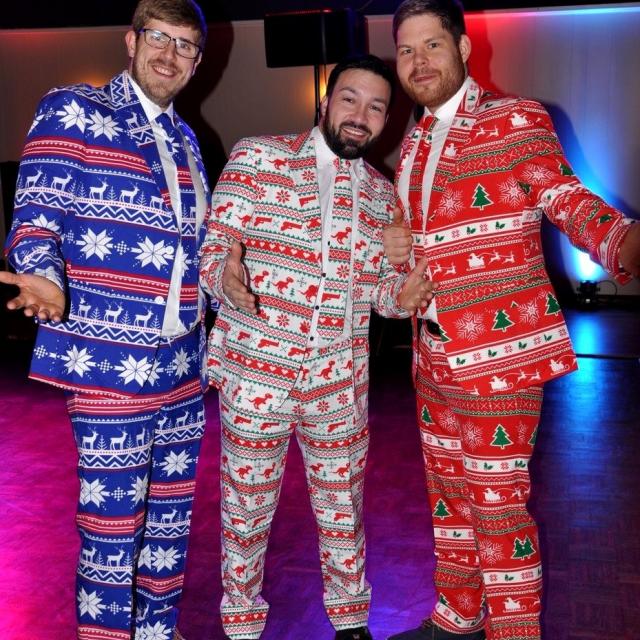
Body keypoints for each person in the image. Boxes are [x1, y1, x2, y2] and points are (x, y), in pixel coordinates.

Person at [382, 1, 640, 640]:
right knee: (449, 498)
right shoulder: (412, 143)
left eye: (432, 45)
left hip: (498, 356)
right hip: (431, 355)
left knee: (498, 514)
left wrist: (621, 241)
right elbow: (426, 237)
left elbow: (564, 195)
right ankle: (458, 616)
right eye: (407, 50)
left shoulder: (515, 118)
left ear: (464, 49)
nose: (419, 61)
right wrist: (399, 251)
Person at [199, 54, 434, 640]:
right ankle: (241, 626)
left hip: (339, 384)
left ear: (386, 120)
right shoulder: (259, 156)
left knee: (343, 511)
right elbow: (214, 249)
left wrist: (403, 294)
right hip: (256, 375)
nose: (360, 115)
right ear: (326, 102)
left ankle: (351, 623)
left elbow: (379, 293)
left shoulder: (383, 197)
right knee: (245, 511)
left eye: (376, 107)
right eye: (350, 99)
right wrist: (224, 277)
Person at [0, 1, 210, 638]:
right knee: (113, 533)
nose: (170, 55)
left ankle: (158, 631)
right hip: (110, 365)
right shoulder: (75, 109)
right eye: (159, 38)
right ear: (131, 41)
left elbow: (193, 248)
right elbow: (34, 220)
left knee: (169, 529)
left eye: (186, 45)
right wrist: (43, 273)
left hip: (184, 366)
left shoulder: (189, 140)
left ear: (198, 61)